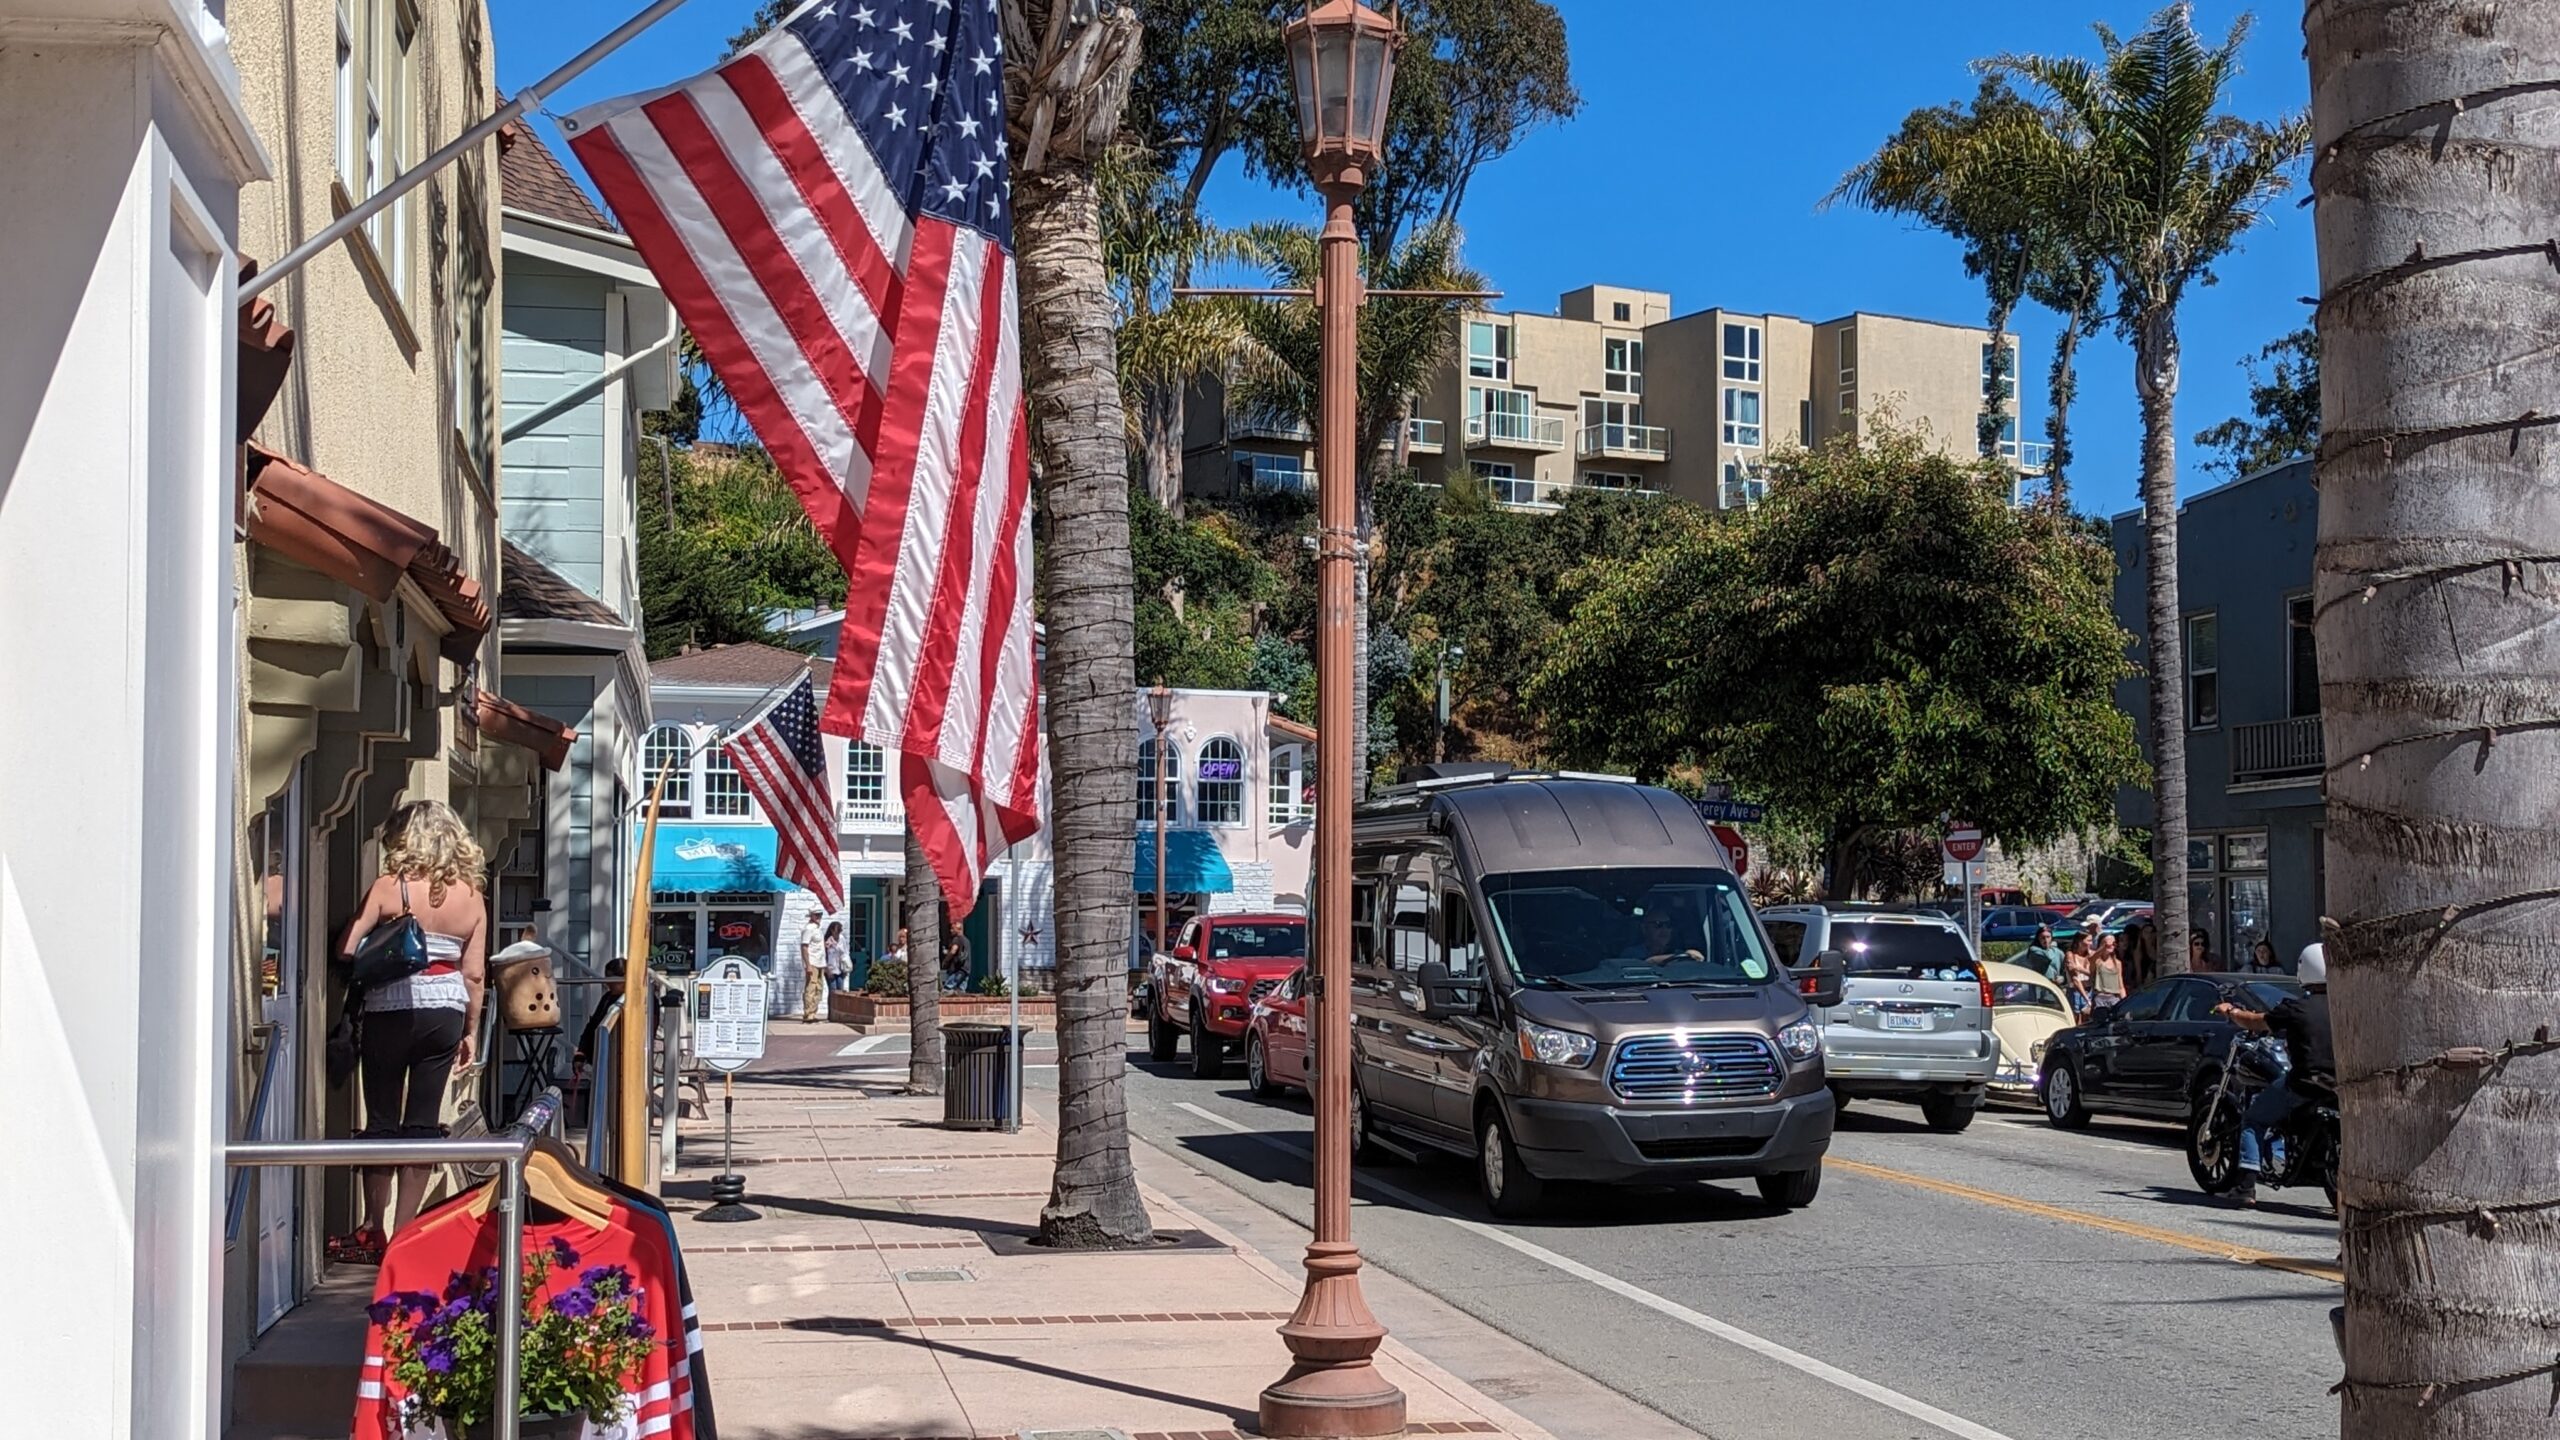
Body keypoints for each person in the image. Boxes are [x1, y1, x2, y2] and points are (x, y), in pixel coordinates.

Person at [339, 799, 488, 1243]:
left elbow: (348, 946)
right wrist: (470, 1031)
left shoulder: (390, 887)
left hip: (390, 1008)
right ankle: (406, 1231)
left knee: (382, 1116)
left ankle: (373, 1226)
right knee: (423, 1121)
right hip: (445, 1010)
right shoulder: (472, 897)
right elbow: (475, 973)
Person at [2214, 942, 2336, 1207]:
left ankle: (2245, 1187)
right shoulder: (2347, 1007)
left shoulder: (2295, 1008)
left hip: (2305, 1084)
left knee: (2254, 1119)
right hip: (2340, 1086)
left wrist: (2232, 1012)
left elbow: (2257, 1021)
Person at [798, 910, 827, 1021]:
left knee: (819, 988)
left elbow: (817, 945)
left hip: (821, 962)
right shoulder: (808, 929)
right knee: (811, 988)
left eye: (820, 914)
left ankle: (813, 1012)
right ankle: (808, 1013)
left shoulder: (818, 929)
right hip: (813, 962)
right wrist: (808, 965)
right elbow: (804, 947)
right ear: (811, 916)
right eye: (816, 914)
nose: (819, 916)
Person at [2063, 934, 2096, 1017]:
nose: (2091, 943)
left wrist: (2078, 968)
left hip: (2089, 990)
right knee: (2076, 1017)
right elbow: (2075, 978)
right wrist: (2086, 998)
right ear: (2080, 942)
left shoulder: (2091, 955)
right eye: (2088, 941)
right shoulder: (2070, 955)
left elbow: (2095, 974)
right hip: (2075, 991)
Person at [2091, 932, 2127, 1008]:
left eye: (2113, 943)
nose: (2110, 945)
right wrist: (2104, 946)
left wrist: (2124, 1001)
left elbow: (2121, 986)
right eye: (2107, 943)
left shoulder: (2117, 963)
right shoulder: (2097, 961)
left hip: (2114, 997)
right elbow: (2092, 959)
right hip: (2100, 998)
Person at [823, 920, 849, 993]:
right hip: (830, 969)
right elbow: (823, 956)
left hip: (840, 969)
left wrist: (846, 967)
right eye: (836, 931)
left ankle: (839, 1005)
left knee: (840, 989)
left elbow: (845, 953)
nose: (838, 934)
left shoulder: (841, 939)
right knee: (833, 990)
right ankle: (831, 1004)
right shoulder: (827, 941)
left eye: (839, 931)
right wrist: (827, 970)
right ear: (832, 930)